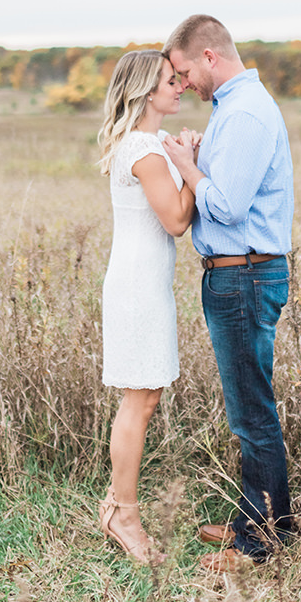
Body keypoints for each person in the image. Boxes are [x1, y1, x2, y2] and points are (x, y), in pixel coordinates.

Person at [161, 14, 295, 574]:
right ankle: (259, 521)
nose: (184, 82)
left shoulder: (244, 113)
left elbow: (225, 206)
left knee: (251, 414)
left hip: (244, 275)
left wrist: (188, 167)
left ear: (210, 56)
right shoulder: (230, 111)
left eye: (185, 69)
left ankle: (259, 546)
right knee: (249, 406)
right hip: (235, 273)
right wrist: (198, 158)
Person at [97, 49, 199, 563]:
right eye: (169, 80)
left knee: (143, 396)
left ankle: (118, 503)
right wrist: (194, 169)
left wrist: (180, 158)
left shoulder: (150, 143)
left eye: (179, 78)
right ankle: (124, 515)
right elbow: (177, 221)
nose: (180, 86)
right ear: (144, 92)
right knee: (139, 400)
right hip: (137, 288)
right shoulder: (144, 148)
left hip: (143, 283)